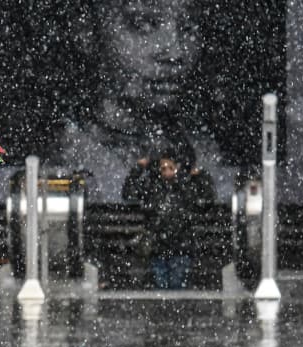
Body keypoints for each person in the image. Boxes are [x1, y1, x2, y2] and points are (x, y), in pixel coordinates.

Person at [45, 0, 231, 201]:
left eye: (189, 27)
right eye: (144, 24)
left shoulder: (209, 155)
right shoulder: (57, 157)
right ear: (86, 29)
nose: (176, 53)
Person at [122, 147, 215, 289]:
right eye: (163, 167)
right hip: (159, 248)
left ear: (176, 167)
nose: (166, 171)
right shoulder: (153, 187)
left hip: (180, 247)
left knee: (177, 286)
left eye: (170, 167)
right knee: (162, 287)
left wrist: (201, 176)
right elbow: (128, 194)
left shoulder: (185, 187)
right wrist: (138, 169)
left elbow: (208, 199)